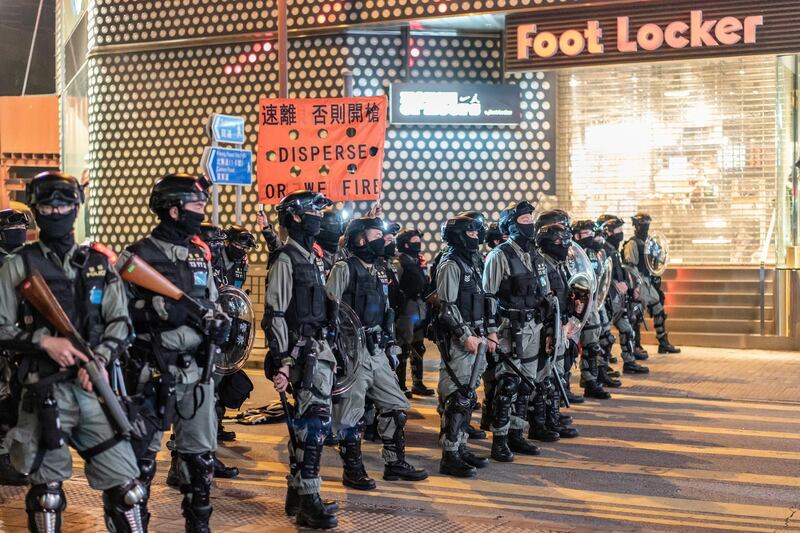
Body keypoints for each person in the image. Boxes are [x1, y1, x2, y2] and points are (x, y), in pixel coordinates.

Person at [0, 171, 145, 532]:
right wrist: (44, 342)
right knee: (47, 495)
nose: (57, 211)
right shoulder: (19, 265)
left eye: (64, 204)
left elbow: (120, 322)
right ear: (37, 210)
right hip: (43, 390)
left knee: (128, 490)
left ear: (77, 208)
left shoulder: (97, 264)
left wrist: (100, 357)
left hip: (91, 388)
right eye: (48, 205)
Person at [119, 173, 230, 532]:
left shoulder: (200, 254)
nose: (202, 212)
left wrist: (221, 321)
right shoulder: (138, 256)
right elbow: (116, 316)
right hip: (153, 370)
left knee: (200, 459)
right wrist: (160, 311)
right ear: (173, 209)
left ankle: (199, 525)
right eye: (196, 206)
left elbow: (211, 300)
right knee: (143, 461)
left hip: (197, 371)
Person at [326, 217, 428, 491]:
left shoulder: (380, 270)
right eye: (376, 234)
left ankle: (395, 463)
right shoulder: (343, 269)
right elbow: (330, 313)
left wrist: (391, 345)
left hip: (377, 349)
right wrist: (335, 354)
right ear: (360, 239)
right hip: (352, 350)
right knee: (351, 415)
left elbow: (387, 311)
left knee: (396, 406)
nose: (383, 240)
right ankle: (353, 470)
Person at [263, 190, 339, 529]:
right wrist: (281, 360)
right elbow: (275, 313)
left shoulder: (312, 258)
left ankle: (297, 494)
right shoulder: (285, 259)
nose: (319, 217)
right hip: (300, 355)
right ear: (295, 217)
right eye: (312, 212)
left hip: (318, 352)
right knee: (315, 424)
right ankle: (309, 502)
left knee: (305, 423)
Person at [433, 215, 493, 477]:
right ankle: (449, 455)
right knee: (457, 396)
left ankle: (461, 447)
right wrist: (464, 335)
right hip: (460, 341)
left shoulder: (474, 262)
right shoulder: (450, 264)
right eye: (470, 232)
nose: (476, 237)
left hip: (477, 336)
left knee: (469, 394)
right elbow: (446, 306)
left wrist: (489, 332)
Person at [532, 210, 580, 440]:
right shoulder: (542, 264)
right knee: (545, 377)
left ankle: (552, 417)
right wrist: (552, 330)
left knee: (557, 375)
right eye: (559, 241)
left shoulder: (557, 263)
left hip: (561, 326)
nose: (563, 245)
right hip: (548, 329)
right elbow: (544, 299)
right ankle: (540, 424)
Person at [597, 214, 650, 376]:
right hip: (607, 300)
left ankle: (629, 362)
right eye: (617, 229)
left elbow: (622, 271)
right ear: (608, 231)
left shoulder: (613, 249)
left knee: (627, 330)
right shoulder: (602, 249)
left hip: (619, 299)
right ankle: (602, 368)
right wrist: (614, 283)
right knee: (604, 337)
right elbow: (600, 275)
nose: (620, 233)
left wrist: (630, 285)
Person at [0, 208, 29, 486]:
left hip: (18, 339)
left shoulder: (24, 259)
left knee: (14, 401)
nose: (19, 231)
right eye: (13, 228)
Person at [623, 213, 680, 354]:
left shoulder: (650, 242)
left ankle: (663, 342)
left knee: (658, 309)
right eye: (642, 224)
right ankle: (635, 346)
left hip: (649, 281)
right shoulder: (632, 243)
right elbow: (630, 265)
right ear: (636, 226)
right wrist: (635, 285)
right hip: (639, 281)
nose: (645, 227)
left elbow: (659, 258)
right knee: (636, 314)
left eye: (647, 224)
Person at [572, 220, 612, 400]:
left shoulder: (595, 254)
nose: (589, 237)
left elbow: (601, 278)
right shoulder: (571, 254)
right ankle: (564, 387)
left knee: (593, 345)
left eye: (590, 233)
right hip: (577, 306)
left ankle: (591, 380)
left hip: (593, 305)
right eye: (585, 233)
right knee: (569, 350)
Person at [393, 227, 433, 398]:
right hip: (406, 309)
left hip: (420, 306)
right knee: (403, 347)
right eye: (414, 241)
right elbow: (395, 287)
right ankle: (400, 384)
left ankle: (418, 383)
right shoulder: (399, 262)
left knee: (419, 346)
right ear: (405, 243)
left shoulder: (418, 260)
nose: (417, 244)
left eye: (418, 240)